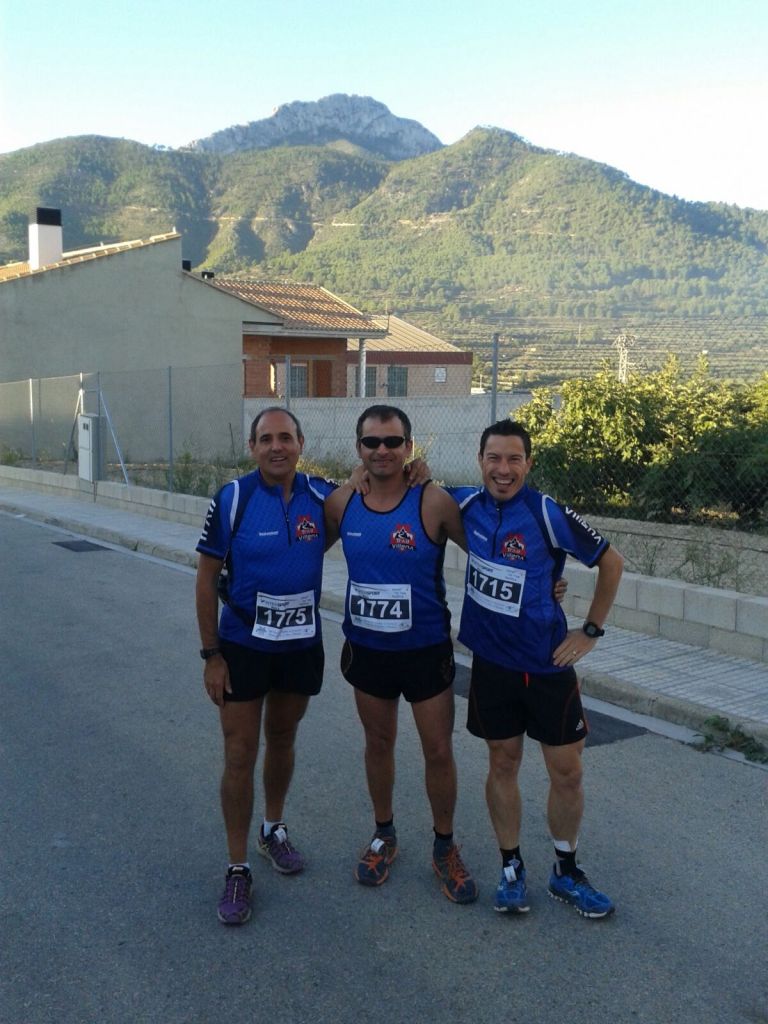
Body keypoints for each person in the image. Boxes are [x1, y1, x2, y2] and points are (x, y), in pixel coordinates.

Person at [447, 419, 624, 918]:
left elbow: (612, 563)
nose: (503, 469)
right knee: (502, 764)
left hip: (547, 668)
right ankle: (511, 867)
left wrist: (588, 632)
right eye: (494, 458)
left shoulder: (545, 511)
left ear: (528, 463)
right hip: (492, 665)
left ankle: (565, 872)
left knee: (566, 773)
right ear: (480, 460)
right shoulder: (463, 503)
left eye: (514, 459)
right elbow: (408, 488)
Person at [324, 404, 478, 905]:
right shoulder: (342, 502)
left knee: (438, 750)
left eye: (393, 442)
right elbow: (297, 549)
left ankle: (445, 844)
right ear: (359, 449)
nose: (383, 451)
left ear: (410, 448)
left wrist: (549, 583)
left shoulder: (433, 501)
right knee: (378, 743)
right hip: (368, 650)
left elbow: (490, 549)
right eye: (373, 443)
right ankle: (384, 833)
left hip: (425, 651)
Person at [195, 407, 342, 926]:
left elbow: (379, 495)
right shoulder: (233, 499)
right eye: (266, 439)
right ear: (253, 447)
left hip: (300, 643)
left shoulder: (322, 494)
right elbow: (206, 576)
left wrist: (413, 471)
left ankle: (272, 829)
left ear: (301, 443)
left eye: (285, 437)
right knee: (240, 752)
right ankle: (237, 866)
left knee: (282, 739)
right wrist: (211, 654)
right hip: (242, 646)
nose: (276, 447)